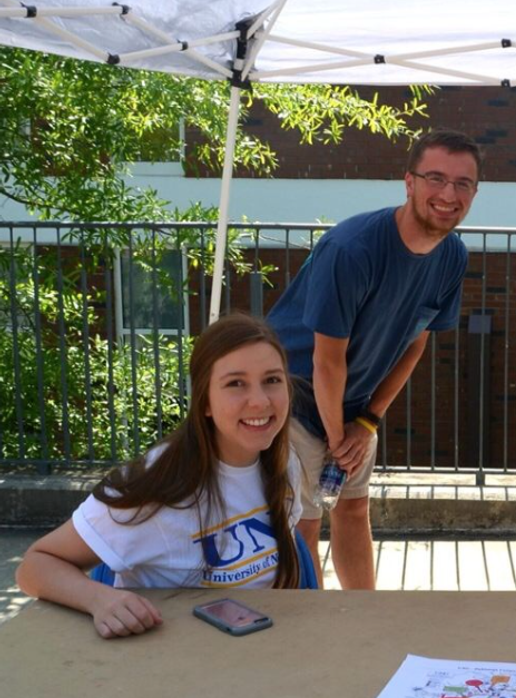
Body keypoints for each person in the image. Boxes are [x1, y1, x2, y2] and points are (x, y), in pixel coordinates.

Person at [266, 129, 480, 589]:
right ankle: (311, 623)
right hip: (292, 395)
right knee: (304, 521)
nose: (449, 194)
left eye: (463, 183)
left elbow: (415, 343)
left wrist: (367, 422)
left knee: (354, 507)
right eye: (436, 178)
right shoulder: (353, 250)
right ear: (409, 182)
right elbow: (326, 362)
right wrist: (339, 439)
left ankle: (364, 616)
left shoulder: (452, 257)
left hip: (355, 404)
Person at [16, 313, 304, 638]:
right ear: (205, 402)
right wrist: (100, 600)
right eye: (235, 383)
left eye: (272, 380)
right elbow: (35, 567)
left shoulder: (285, 463)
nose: (261, 401)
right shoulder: (158, 485)